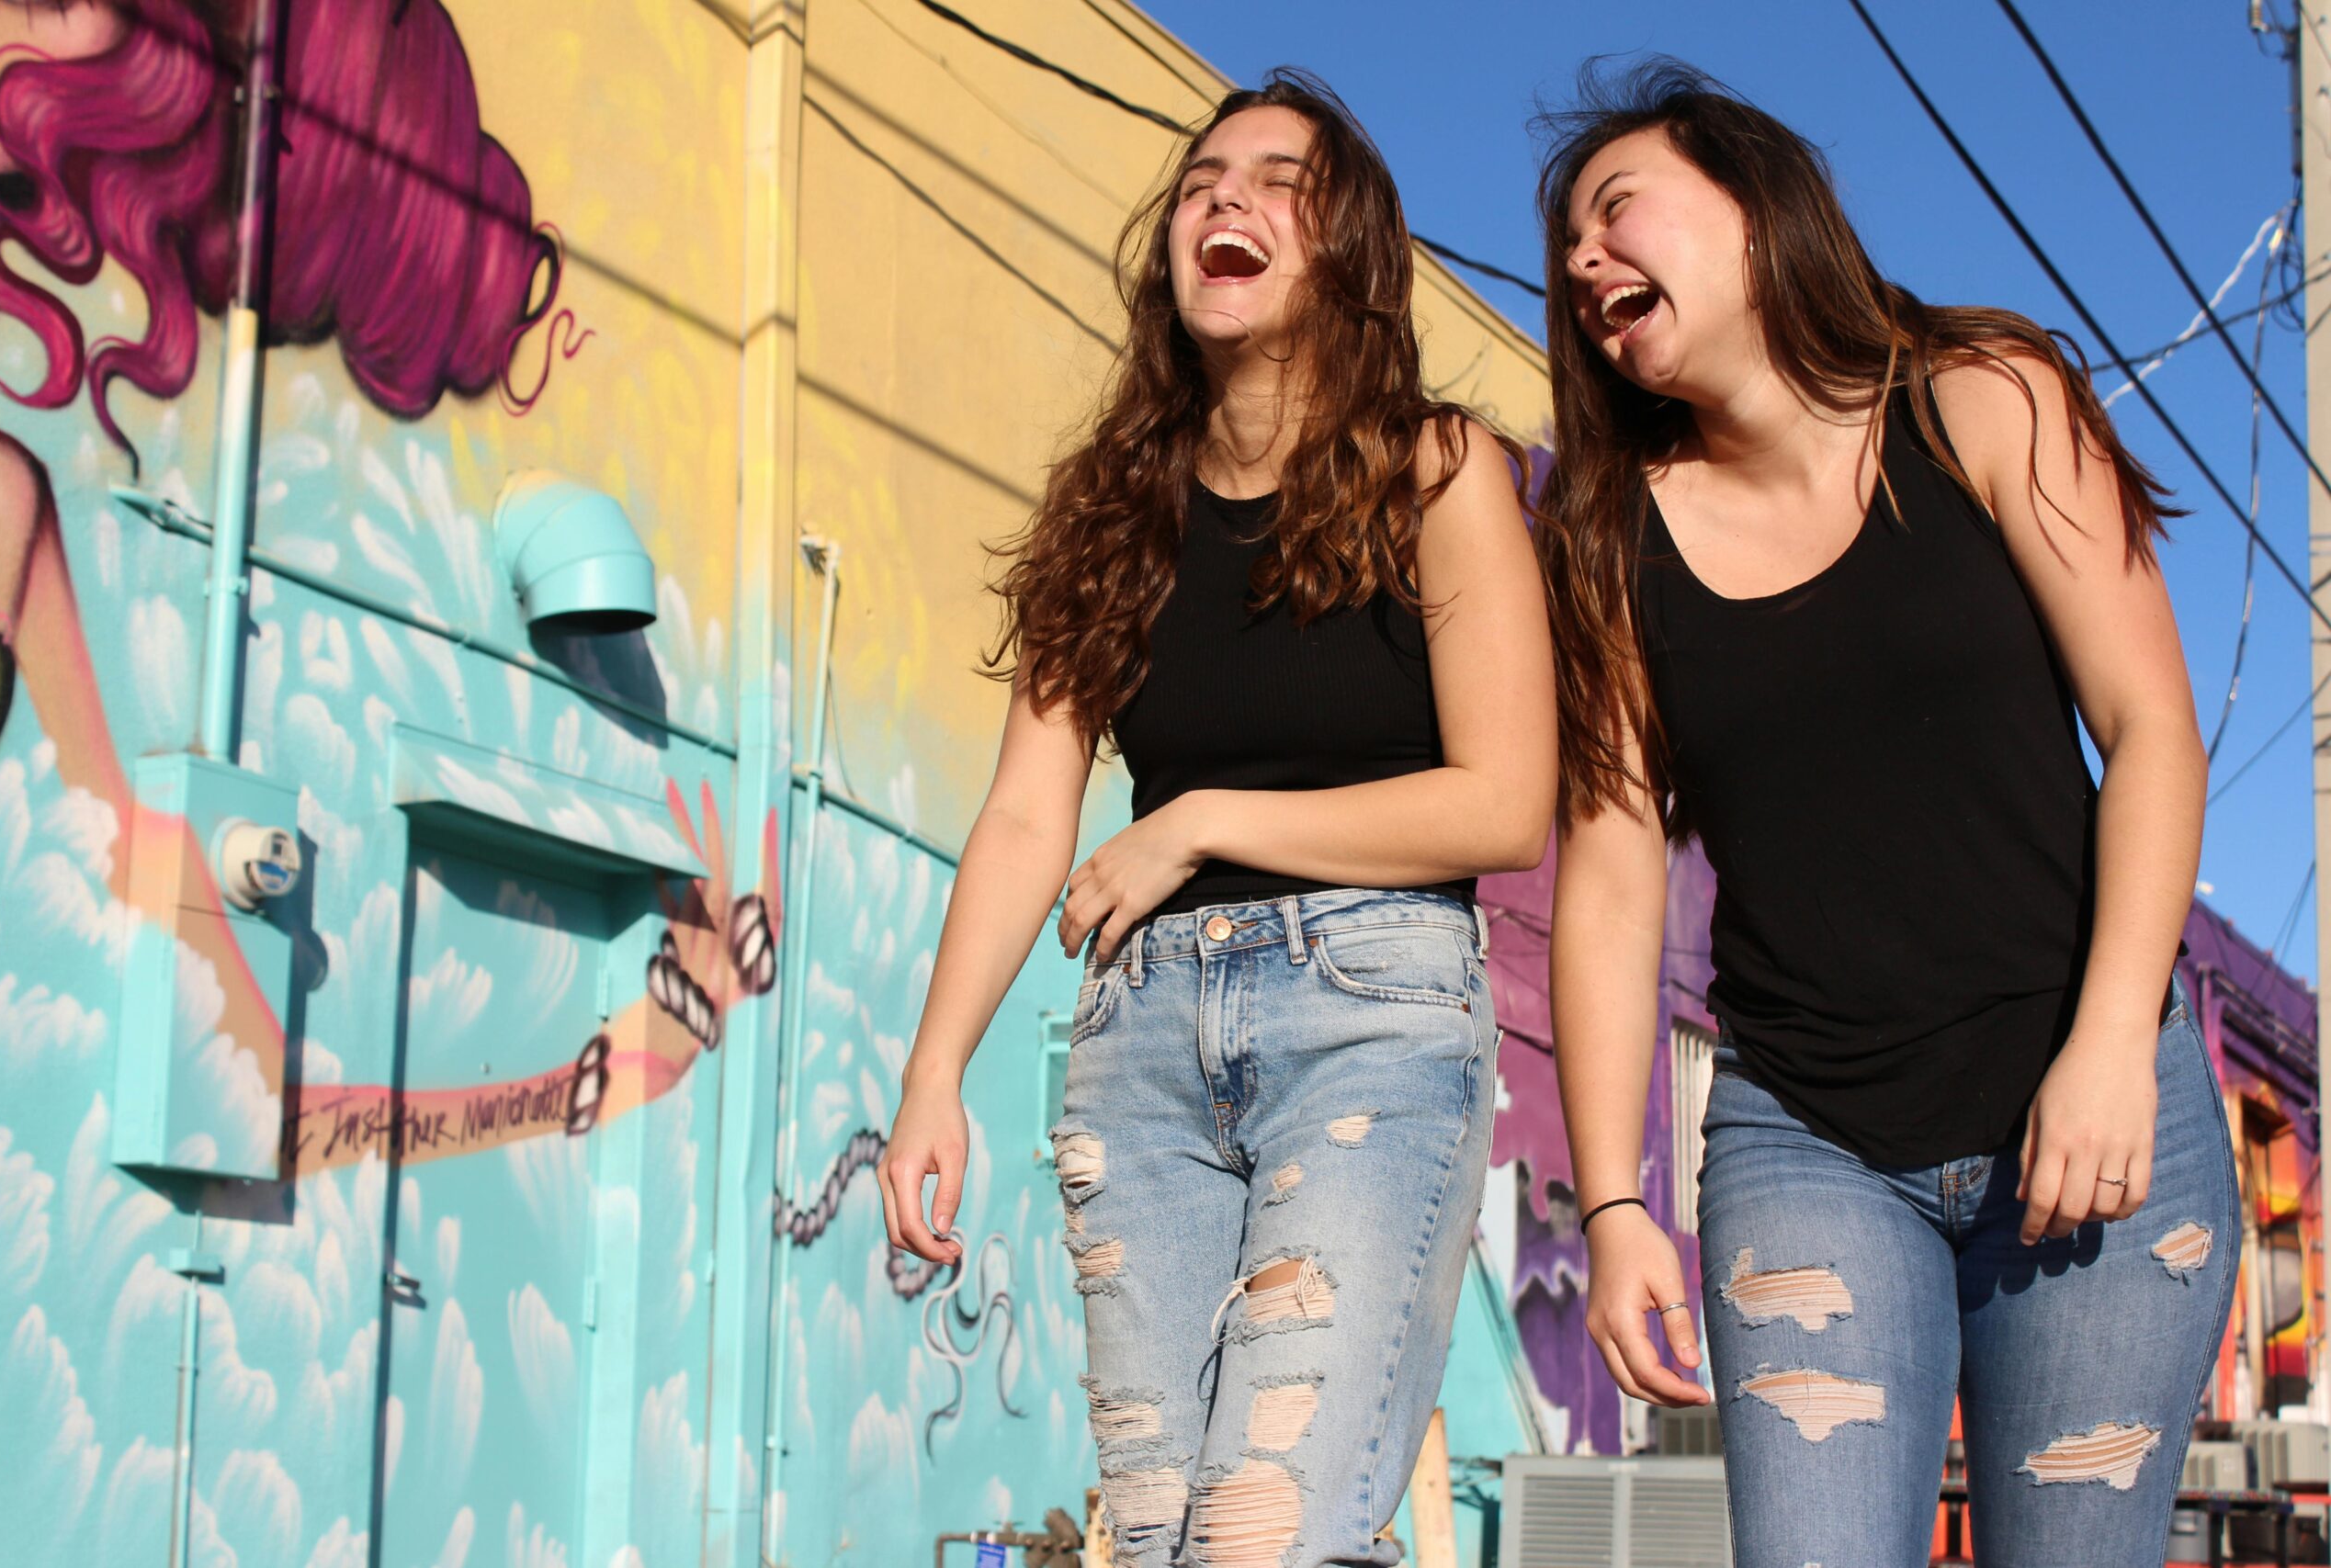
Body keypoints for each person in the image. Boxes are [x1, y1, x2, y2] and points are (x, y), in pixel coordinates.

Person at [1536, 59, 2235, 1568]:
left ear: (1751, 202)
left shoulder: (1985, 397)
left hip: (2093, 1103)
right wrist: (1609, 1207)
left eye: (1614, 208)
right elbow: (1605, 875)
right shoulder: (1603, 543)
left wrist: (2115, 1042)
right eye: (1565, 253)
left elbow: (2151, 733)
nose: (1585, 262)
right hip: (1810, 1141)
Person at [877, 68, 1553, 1566]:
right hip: (1141, 1054)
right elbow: (1020, 815)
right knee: (1167, 1538)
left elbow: (1506, 803)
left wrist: (1195, 825)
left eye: (1277, 180)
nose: (1225, 201)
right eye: (1200, 182)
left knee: (1269, 1536)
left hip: (1371, 1021)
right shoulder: (1108, 511)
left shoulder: (1438, 471)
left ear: (1351, 255)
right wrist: (933, 1072)